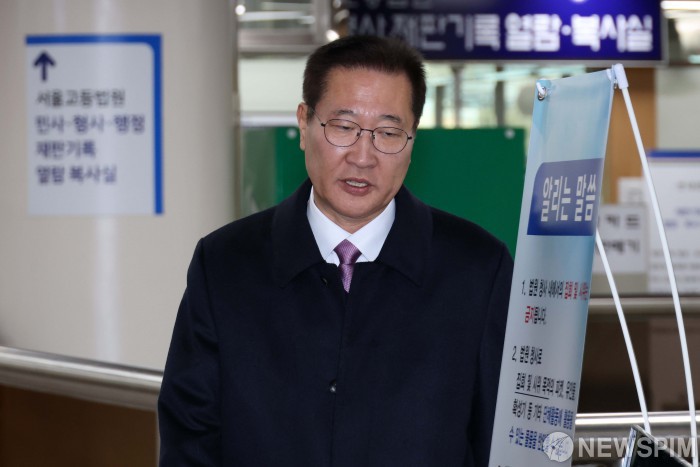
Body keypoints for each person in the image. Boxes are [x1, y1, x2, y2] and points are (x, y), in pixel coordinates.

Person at [158, 35, 513, 466]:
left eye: (388, 133)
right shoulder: (225, 265)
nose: (363, 157)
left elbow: (498, 441)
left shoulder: (477, 270)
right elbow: (189, 439)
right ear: (304, 123)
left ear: (413, 139)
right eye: (343, 127)